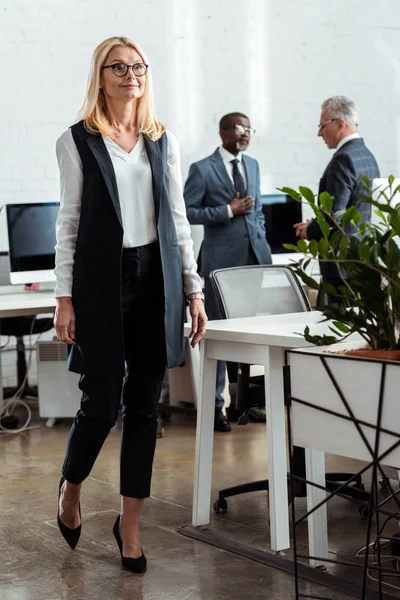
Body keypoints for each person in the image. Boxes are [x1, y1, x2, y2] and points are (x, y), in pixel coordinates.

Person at [53, 36, 207, 573]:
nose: (130, 75)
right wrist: (63, 296)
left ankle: (130, 525)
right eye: (118, 67)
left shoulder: (162, 140)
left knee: (144, 407)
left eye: (138, 66)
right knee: (100, 404)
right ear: (101, 76)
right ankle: (70, 491)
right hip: (100, 281)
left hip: (156, 277)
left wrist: (194, 290)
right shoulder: (77, 141)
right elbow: (68, 223)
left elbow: (180, 221)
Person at [184, 113, 272, 432]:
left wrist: (259, 235)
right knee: (219, 333)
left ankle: (242, 403)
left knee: (249, 332)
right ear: (222, 132)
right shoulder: (202, 169)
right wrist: (226, 211)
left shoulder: (253, 165)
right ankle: (215, 409)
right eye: (239, 128)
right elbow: (187, 212)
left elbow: (257, 209)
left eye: (249, 128)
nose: (245, 133)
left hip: (254, 258)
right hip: (220, 263)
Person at [294, 96, 380, 303]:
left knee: (339, 324)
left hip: (341, 264)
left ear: (340, 123)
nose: (319, 133)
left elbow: (334, 217)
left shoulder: (344, 158)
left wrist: (309, 229)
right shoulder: (367, 155)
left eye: (322, 126)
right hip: (362, 258)